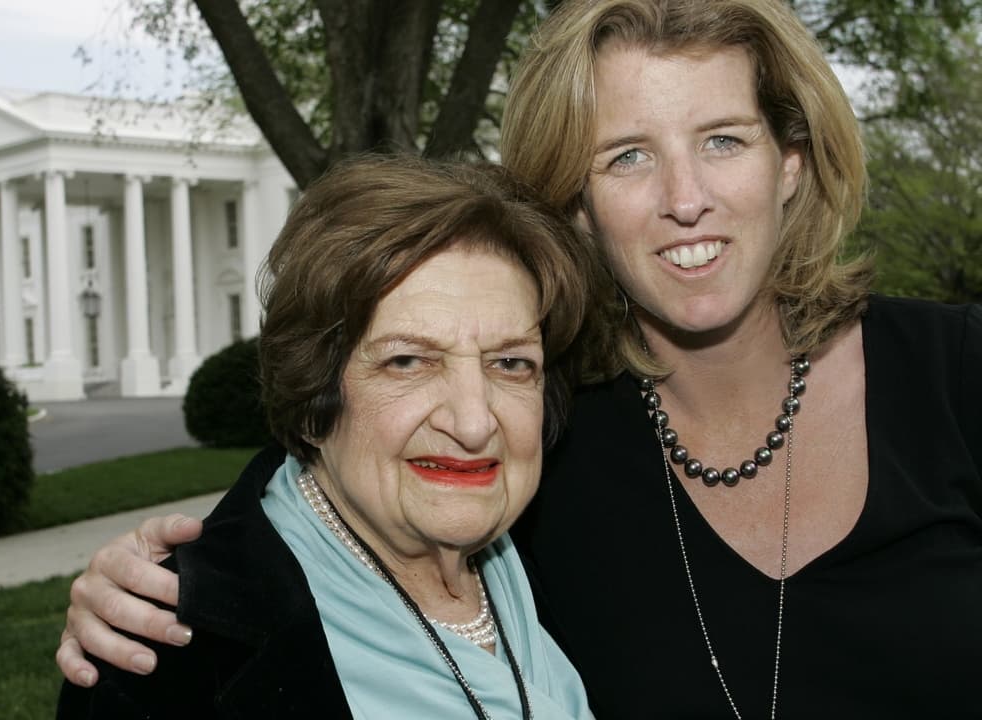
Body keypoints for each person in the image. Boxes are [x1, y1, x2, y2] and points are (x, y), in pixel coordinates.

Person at [57, 0, 982, 717]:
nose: (685, 197)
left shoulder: (957, 374)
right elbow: (353, 461)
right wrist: (175, 582)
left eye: (724, 141)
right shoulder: (550, 441)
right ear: (576, 204)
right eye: (626, 157)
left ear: (789, 162)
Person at [56, 153, 597, 719]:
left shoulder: (567, 552)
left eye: (510, 363)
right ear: (315, 399)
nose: (473, 421)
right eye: (408, 361)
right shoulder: (168, 648)